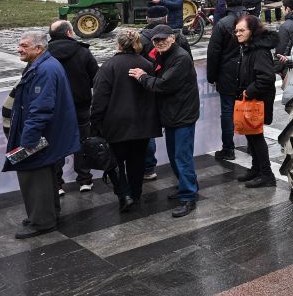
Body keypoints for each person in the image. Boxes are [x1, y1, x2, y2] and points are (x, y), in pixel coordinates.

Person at [7, 30, 80, 238]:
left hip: (37, 137)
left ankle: (41, 222)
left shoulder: (44, 70)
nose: (18, 49)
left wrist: (28, 140)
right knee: (45, 176)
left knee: (33, 175)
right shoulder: (43, 64)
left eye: (24, 46)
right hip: (45, 136)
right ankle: (47, 215)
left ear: (39, 48)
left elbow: (40, 109)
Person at [130, 24, 199, 218]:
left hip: (182, 115)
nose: (159, 42)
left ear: (173, 38)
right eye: (156, 40)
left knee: (182, 157)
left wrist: (142, 78)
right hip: (171, 114)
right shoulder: (163, 55)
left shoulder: (181, 58)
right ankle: (186, 185)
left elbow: (163, 84)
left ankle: (188, 197)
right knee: (175, 156)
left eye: (163, 39)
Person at [89, 30, 157, 213]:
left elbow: (99, 99)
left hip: (116, 124)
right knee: (137, 162)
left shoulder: (108, 66)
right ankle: (135, 195)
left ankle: (124, 195)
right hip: (142, 123)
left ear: (118, 45)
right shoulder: (147, 65)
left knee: (115, 162)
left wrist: (95, 123)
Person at [47, 20, 99, 192]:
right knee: (82, 142)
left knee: (56, 143)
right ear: (69, 33)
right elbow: (96, 78)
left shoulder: (44, 54)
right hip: (81, 105)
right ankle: (84, 180)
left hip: (55, 107)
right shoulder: (83, 51)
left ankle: (57, 183)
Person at [233, 15, 277, 187]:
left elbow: (267, 77)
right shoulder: (249, 47)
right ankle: (256, 168)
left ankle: (267, 174)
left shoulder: (259, 50)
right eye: (236, 30)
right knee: (251, 136)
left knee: (256, 137)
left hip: (257, 101)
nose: (237, 33)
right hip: (252, 100)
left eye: (242, 30)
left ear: (253, 31)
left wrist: (248, 91)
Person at [206, 0, 245, 161]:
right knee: (248, 108)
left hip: (227, 73)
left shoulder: (222, 24)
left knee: (228, 111)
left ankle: (228, 148)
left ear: (226, 5)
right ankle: (252, 144)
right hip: (248, 72)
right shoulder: (251, 21)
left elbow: (213, 53)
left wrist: (211, 76)